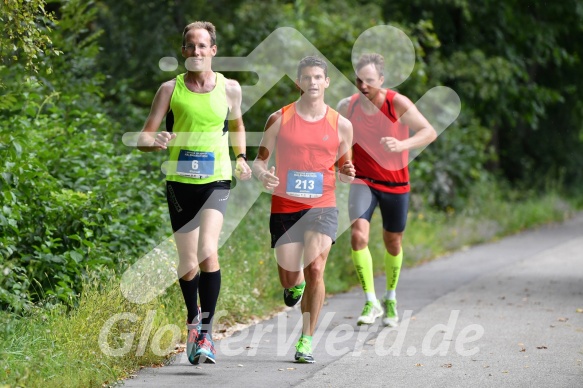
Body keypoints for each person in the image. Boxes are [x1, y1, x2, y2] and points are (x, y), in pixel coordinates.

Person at [137, 21, 252, 365]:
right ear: (183, 52)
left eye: (203, 46)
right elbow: (144, 137)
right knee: (187, 262)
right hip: (179, 183)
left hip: (216, 179)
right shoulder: (169, 90)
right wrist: (154, 142)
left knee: (207, 251)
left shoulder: (230, 88)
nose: (197, 51)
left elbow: (237, 126)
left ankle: (205, 333)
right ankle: (192, 318)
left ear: (213, 51)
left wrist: (242, 158)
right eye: (191, 46)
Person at [252, 56, 355, 363]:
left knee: (316, 268)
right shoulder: (279, 119)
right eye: (306, 77)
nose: (312, 82)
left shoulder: (341, 124)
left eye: (318, 77)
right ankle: (293, 286)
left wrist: (347, 172)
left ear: (326, 82)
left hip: (322, 205)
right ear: (298, 82)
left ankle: (306, 340)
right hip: (285, 206)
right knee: (290, 276)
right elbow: (259, 161)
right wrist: (263, 174)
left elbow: (343, 167)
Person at [337, 53, 436, 327]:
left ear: (381, 80)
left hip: (396, 183)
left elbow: (429, 131)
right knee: (358, 236)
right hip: (364, 181)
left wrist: (402, 145)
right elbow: (340, 141)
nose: (363, 85)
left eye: (369, 80)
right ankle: (370, 301)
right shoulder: (349, 106)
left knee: (393, 243)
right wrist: (343, 165)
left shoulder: (397, 103)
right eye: (359, 79)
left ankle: (390, 298)